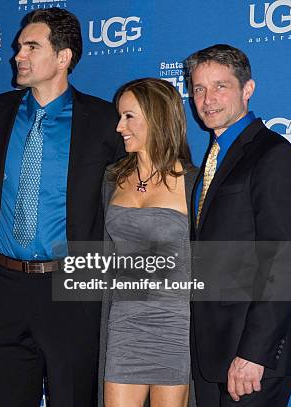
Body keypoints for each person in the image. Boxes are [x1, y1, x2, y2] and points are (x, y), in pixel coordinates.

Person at [0, 8, 124, 406]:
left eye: (31, 46)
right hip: (4, 287)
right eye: (18, 47)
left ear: (63, 58)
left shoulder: (105, 122)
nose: (17, 56)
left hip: (71, 289)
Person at [185, 44, 291, 406]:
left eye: (220, 86)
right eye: (199, 89)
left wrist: (254, 354)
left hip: (252, 359)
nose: (207, 99)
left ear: (247, 90)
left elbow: (286, 261)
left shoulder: (272, 154)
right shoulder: (216, 154)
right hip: (213, 353)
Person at [99, 78, 197, 407]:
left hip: (176, 325)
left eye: (128, 116)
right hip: (125, 322)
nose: (119, 126)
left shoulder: (192, 183)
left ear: (156, 118)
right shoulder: (113, 178)